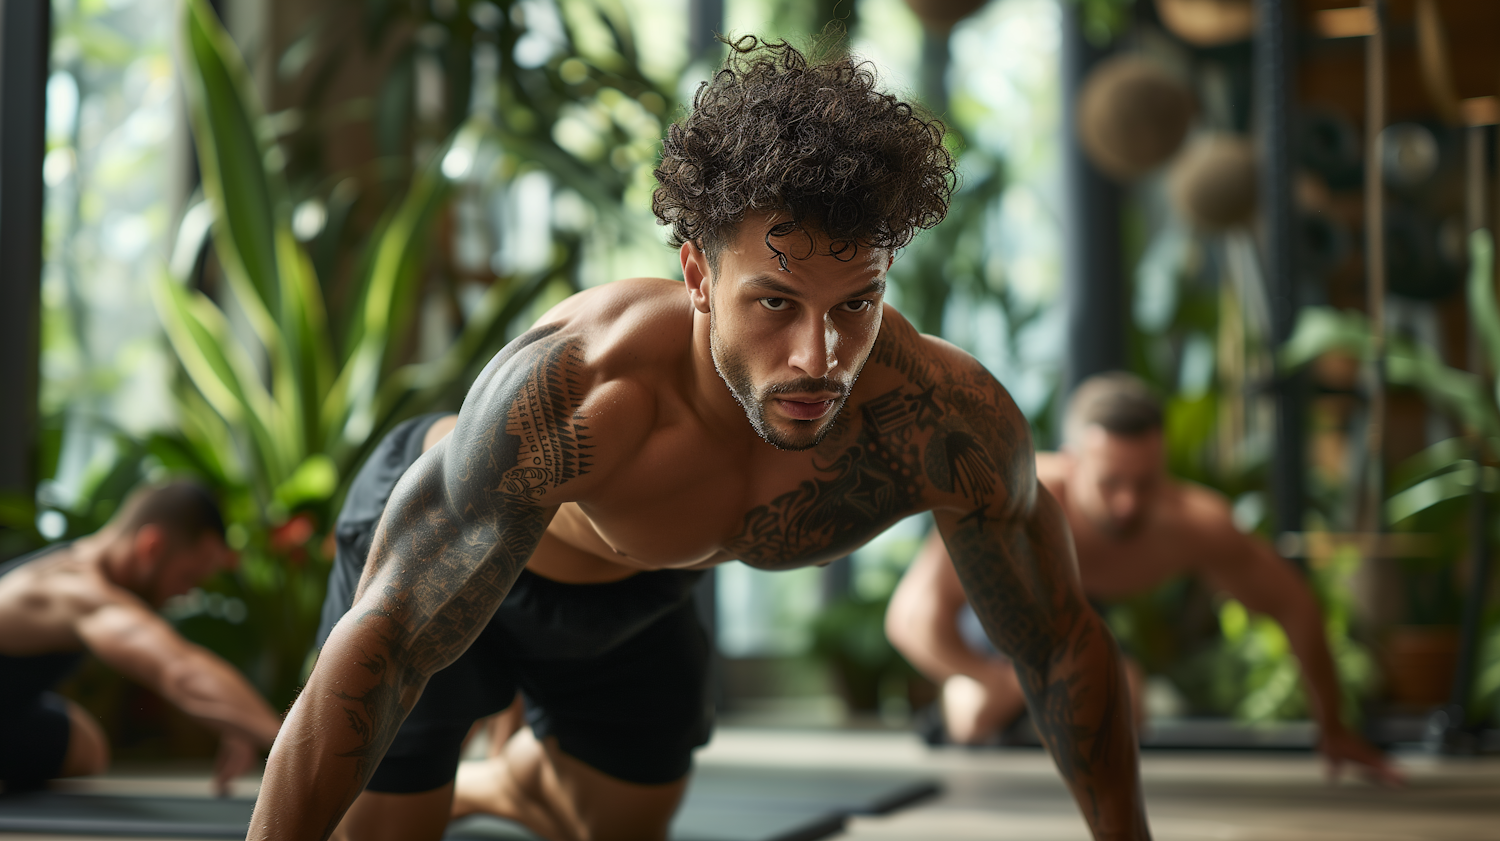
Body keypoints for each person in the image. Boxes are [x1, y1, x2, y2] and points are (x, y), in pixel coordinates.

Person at [250, 37, 1150, 841]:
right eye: (775, 302)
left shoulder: (945, 419)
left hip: (640, 590)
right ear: (697, 273)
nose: (820, 357)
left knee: (619, 826)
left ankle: (501, 778)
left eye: (856, 305)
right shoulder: (586, 386)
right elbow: (390, 640)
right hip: (455, 556)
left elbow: (1058, 642)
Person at [885, 372, 1402, 785]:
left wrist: (1334, 728)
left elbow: (1296, 606)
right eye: (1110, 483)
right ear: (1073, 462)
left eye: (1144, 482)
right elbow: (910, 619)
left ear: (1164, 465)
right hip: (996, 629)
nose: (1128, 503)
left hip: (1078, 624)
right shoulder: (1013, 497)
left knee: (1127, 701)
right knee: (978, 711)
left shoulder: (1195, 525)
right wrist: (988, 676)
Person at [0, 480, 282, 794]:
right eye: (187, 577)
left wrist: (234, 715)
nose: (185, 594)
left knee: (83, 746)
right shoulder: (74, 590)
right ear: (152, 546)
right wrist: (293, 745)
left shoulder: (78, 570)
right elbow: (180, 672)